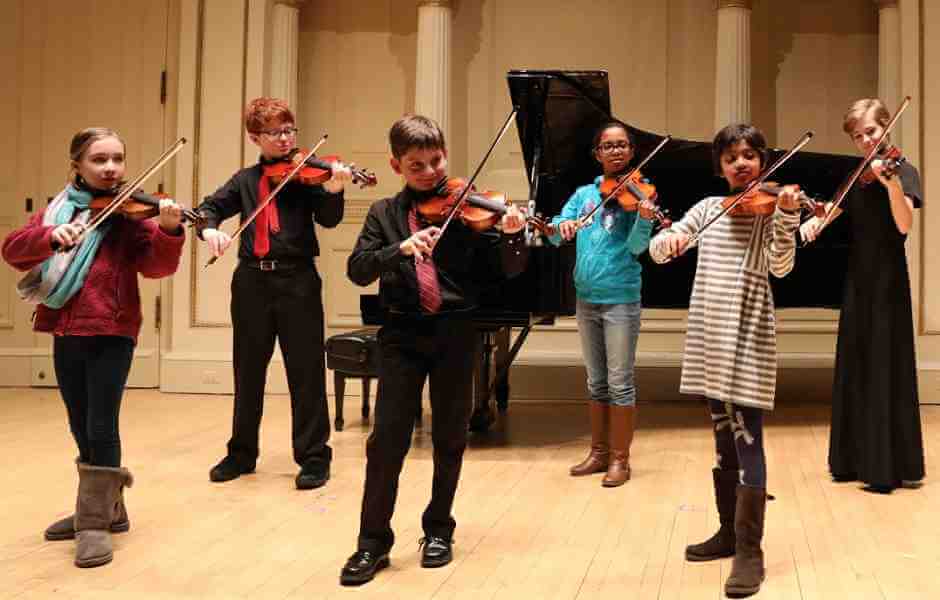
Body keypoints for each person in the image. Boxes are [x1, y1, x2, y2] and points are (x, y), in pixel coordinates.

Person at [340, 114, 527, 585]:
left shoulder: (469, 207)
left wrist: (511, 235)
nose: (429, 172)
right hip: (401, 335)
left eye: (436, 161)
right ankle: (372, 542)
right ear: (396, 165)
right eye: (416, 164)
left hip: (455, 333)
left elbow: (507, 272)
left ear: (446, 154)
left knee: (450, 436)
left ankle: (439, 529)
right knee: (386, 442)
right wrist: (399, 249)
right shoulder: (384, 213)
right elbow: (357, 269)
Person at [1, 127, 186, 568]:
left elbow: (157, 267)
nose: (111, 168)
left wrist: (168, 229)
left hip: (112, 329)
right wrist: (51, 236)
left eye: (118, 159)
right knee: (79, 424)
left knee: (102, 425)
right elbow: (12, 250)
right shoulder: (60, 209)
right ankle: (107, 508)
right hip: (65, 329)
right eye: (99, 159)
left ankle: (93, 524)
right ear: (78, 165)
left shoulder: (132, 215)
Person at [648, 123, 801, 598]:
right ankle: (727, 532)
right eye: (732, 156)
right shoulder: (708, 209)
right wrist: (667, 242)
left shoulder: (769, 212)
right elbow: (660, 248)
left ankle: (750, 552)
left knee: (747, 434)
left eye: (750, 155)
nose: (741, 163)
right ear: (720, 166)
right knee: (721, 435)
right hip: (711, 332)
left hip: (749, 331)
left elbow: (781, 267)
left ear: (762, 161)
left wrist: (787, 220)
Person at [197, 97, 351, 490]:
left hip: (297, 280)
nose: (285, 139)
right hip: (251, 282)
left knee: (306, 371)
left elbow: (329, 220)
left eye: (289, 130)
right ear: (255, 138)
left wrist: (333, 189)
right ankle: (241, 453)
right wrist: (209, 229)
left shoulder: (307, 173)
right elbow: (209, 208)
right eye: (275, 133)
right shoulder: (245, 181)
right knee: (248, 370)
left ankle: (314, 457)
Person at [801, 98, 925, 493]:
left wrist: (891, 185)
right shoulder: (857, 173)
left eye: (871, 132)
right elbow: (833, 209)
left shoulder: (903, 171)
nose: (866, 141)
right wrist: (813, 224)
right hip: (858, 278)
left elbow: (904, 225)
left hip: (888, 279)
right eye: (858, 136)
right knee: (857, 360)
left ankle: (887, 466)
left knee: (885, 362)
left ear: (887, 127)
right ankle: (851, 460)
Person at [549, 121, 655, 487]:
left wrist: (643, 219)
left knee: (620, 382)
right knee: (596, 382)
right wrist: (560, 226)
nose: (615, 151)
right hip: (587, 299)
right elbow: (557, 225)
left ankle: (620, 460)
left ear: (631, 151)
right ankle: (598, 453)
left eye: (622, 145)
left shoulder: (640, 195)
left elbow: (639, 247)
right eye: (607, 146)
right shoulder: (583, 195)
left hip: (621, 299)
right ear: (597, 154)